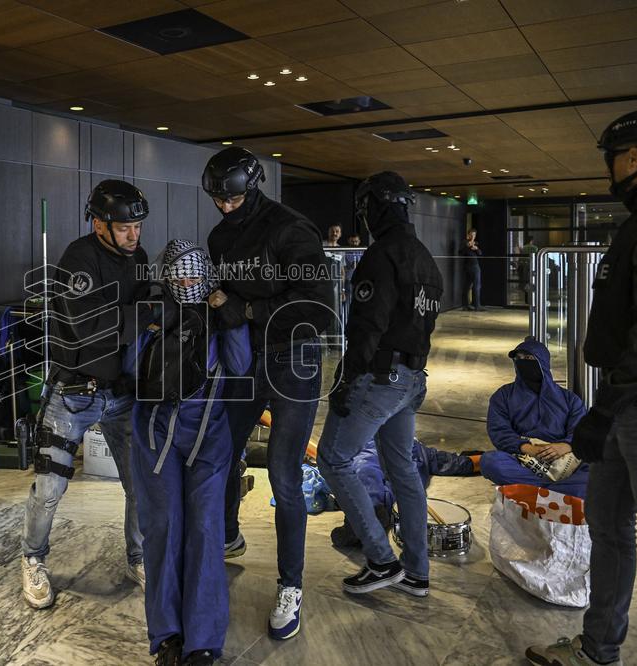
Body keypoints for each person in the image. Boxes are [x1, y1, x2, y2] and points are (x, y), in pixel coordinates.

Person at [526, 108, 637, 665]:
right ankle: (597, 648)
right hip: (626, 400)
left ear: (635, 156)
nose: (611, 170)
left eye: (614, 158)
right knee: (608, 526)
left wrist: (607, 411)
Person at [203, 146, 333, 640]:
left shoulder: (290, 229)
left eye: (232, 199)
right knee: (220, 454)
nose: (225, 207)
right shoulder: (218, 237)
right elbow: (222, 299)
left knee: (284, 473)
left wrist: (249, 310)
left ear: (251, 188)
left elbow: (318, 308)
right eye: (217, 199)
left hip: (293, 361)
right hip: (243, 361)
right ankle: (226, 538)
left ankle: (290, 585)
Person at [20, 179, 153, 610]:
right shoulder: (78, 260)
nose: (134, 235)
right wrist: (146, 314)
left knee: (140, 484)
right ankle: (32, 559)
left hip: (121, 393)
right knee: (49, 487)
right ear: (99, 224)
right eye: (125, 227)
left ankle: (140, 556)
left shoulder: (140, 257)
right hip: (73, 393)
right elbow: (91, 329)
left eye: (138, 226)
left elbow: (135, 320)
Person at [316, 171, 443, 599]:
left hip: (378, 377)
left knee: (334, 459)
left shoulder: (380, 256)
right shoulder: (426, 258)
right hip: (412, 380)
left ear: (376, 207)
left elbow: (367, 327)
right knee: (402, 468)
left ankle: (381, 559)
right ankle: (416, 572)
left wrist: (346, 381)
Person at [129, 239, 251, 666]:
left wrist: (230, 316)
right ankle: (167, 637)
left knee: (204, 532)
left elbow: (239, 364)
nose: (186, 281)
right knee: (163, 530)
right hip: (156, 435)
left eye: (194, 274)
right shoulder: (151, 313)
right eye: (178, 274)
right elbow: (132, 371)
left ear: (206, 277)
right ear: (166, 276)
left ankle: (202, 641)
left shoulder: (219, 318)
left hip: (209, 437)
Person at [480, 337, 588, 498]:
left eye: (529, 358)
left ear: (543, 363)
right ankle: (560, 491)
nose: (523, 362)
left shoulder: (568, 399)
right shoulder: (503, 396)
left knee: (600, 468)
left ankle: (535, 491)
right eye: (519, 359)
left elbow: (581, 431)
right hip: (524, 460)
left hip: (564, 457)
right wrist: (528, 448)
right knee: (490, 462)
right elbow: (499, 432)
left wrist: (565, 446)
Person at [330, 439, 477, 548]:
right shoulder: (425, 451)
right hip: (410, 459)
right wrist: (484, 461)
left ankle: (369, 511)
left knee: (367, 470)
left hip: (375, 444)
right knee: (401, 485)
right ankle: (375, 512)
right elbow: (458, 464)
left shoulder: (368, 437)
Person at [460, 228, 484, 311]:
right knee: (466, 286)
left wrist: (476, 248)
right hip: (467, 267)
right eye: (472, 234)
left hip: (475, 266)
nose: (473, 236)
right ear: (468, 234)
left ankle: (477, 305)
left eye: (474, 234)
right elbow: (460, 252)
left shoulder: (476, 243)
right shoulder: (464, 242)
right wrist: (467, 246)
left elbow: (480, 253)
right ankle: (465, 306)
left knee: (477, 286)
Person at [520, 235, 539, 304]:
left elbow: (521, 259)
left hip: (525, 267)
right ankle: (533, 299)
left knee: (526, 282)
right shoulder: (535, 248)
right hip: (532, 266)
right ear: (531, 241)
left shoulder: (523, 248)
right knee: (533, 282)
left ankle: (526, 300)